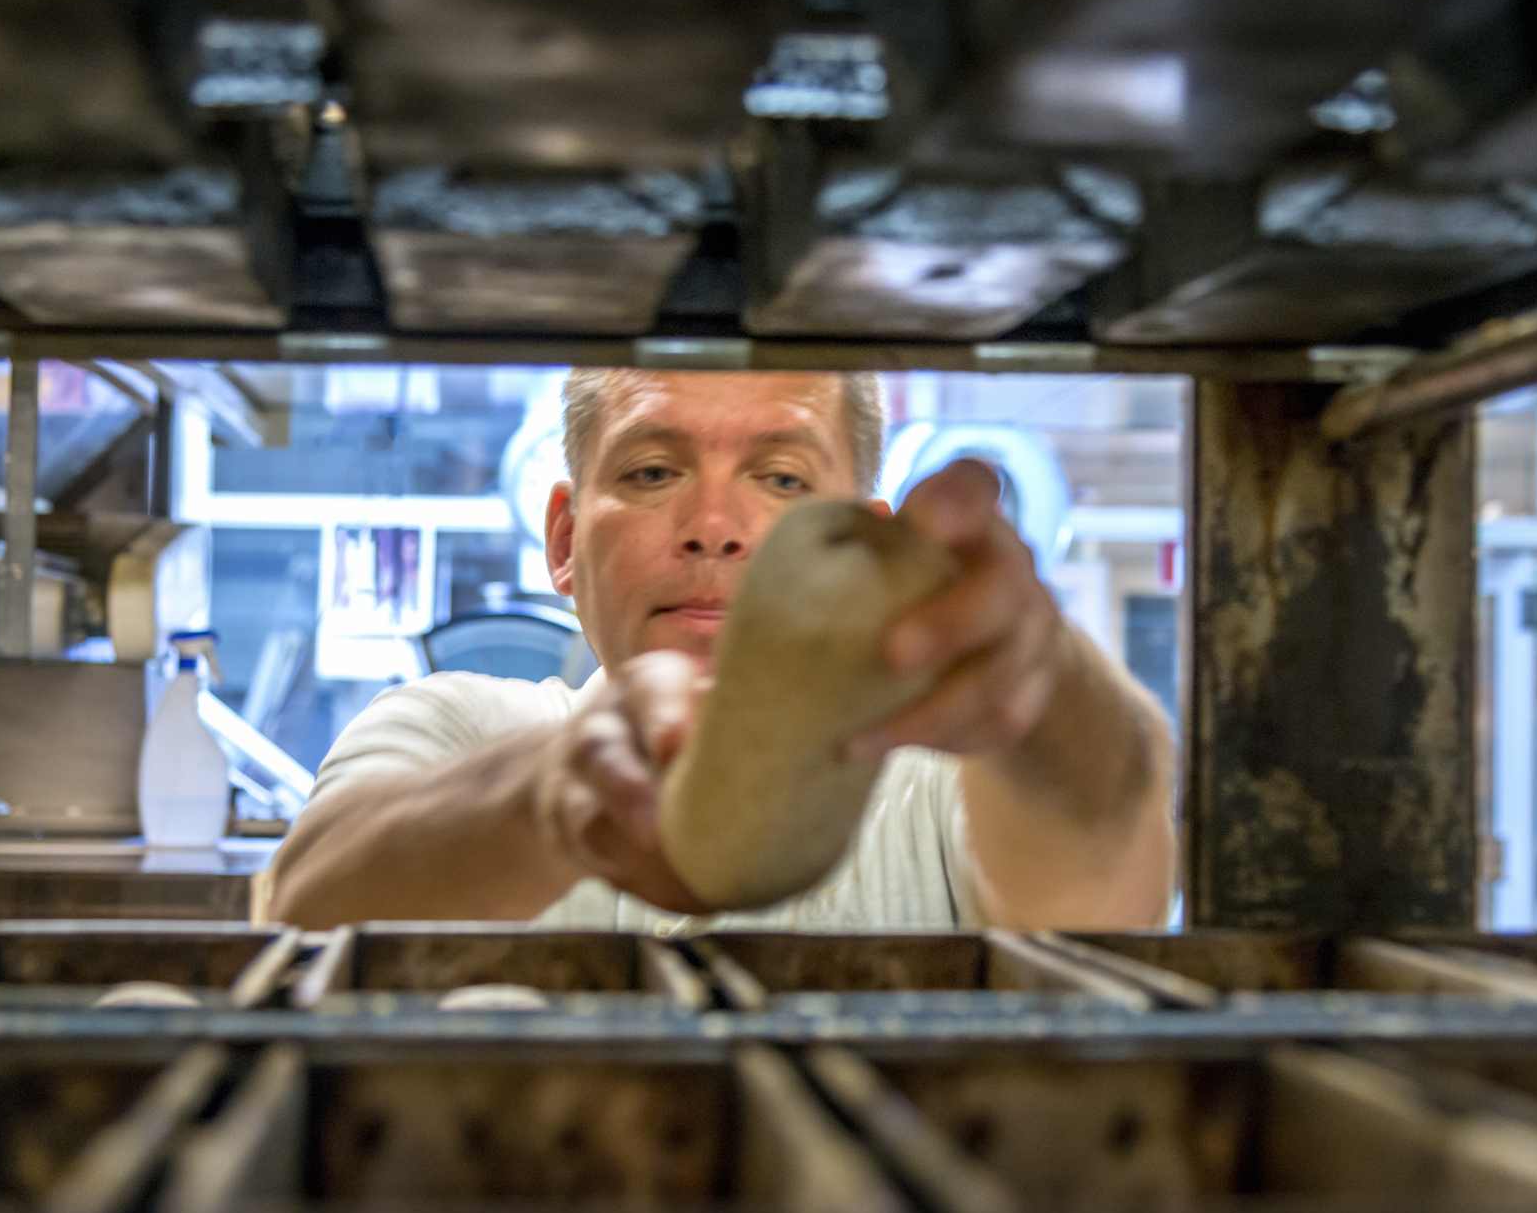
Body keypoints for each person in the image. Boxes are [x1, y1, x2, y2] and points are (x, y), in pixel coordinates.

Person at [258, 368, 1176, 933]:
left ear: (868, 547)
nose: (711, 528)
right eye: (652, 471)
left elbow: (1109, 884)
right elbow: (299, 906)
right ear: (565, 540)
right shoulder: (460, 727)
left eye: (780, 478)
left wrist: (1043, 688)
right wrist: (549, 796)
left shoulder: (939, 779)